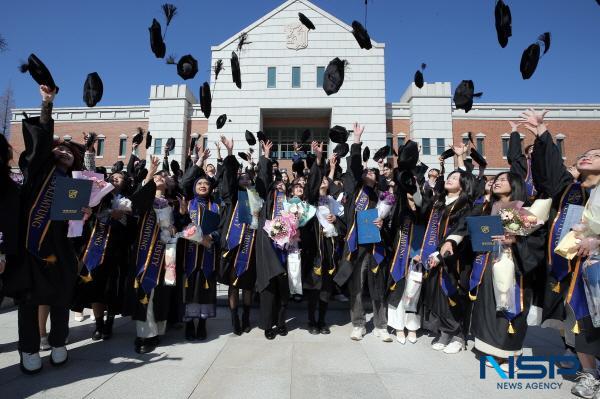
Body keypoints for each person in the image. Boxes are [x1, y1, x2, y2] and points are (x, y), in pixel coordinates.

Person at [10, 85, 87, 373]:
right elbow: (40, 142)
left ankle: (58, 342)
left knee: (61, 298)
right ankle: (29, 349)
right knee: (29, 302)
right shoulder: (37, 172)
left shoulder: (77, 184)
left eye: (69, 151)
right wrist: (47, 104)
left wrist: (85, 213)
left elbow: (76, 226)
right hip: (31, 249)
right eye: (60, 148)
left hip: (61, 250)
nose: (64, 151)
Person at [468, 172, 545, 370]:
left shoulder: (526, 209)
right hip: (489, 262)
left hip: (513, 263)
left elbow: (537, 241)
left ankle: (510, 353)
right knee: (490, 305)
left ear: (515, 184)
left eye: (503, 180)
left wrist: (516, 240)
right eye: (495, 180)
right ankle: (493, 349)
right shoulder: (487, 207)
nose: (496, 183)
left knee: (510, 305)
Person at [334, 123, 392, 342]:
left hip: (375, 247)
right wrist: (356, 141)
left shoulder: (382, 198)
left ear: (377, 179)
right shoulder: (354, 191)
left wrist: (382, 224)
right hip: (355, 246)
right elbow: (356, 166)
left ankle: (380, 325)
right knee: (356, 287)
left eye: (372, 173)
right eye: (366, 172)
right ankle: (358, 324)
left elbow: (389, 222)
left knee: (376, 287)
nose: (368, 173)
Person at [123, 156, 182, 354]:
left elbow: (182, 226)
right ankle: (144, 334)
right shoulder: (144, 201)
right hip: (143, 253)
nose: (160, 177)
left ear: (169, 184)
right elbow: (136, 201)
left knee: (161, 293)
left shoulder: (173, 203)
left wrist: (177, 224)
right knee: (145, 290)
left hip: (166, 254)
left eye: (164, 176)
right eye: (158, 175)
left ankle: (158, 330)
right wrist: (150, 174)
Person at [419, 169, 474, 354]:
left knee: (453, 295)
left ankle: (459, 335)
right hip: (434, 255)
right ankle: (445, 331)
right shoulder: (438, 202)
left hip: (455, 258)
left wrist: (444, 249)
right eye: (449, 177)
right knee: (437, 295)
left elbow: (462, 228)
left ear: (464, 184)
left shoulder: (467, 204)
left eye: (456, 178)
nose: (450, 179)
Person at [178, 148, 220, 341]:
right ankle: (189, 324)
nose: (203, 185)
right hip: (189, 253)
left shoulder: (216, 205)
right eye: (199, 183)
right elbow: (184, 182)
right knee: (189, 290)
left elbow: (222, 227)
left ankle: (202, 324)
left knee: (205, 290)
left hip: (208, 254)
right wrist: (199, 161)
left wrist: (211, 237)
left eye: (206, 183)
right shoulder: (188, 203)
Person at [217, 136, 256, 336]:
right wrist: (230, 154)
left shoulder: (256, 199)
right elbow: (229, 178)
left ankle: (246, 316)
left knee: (247, 286)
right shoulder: (232, 198)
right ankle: (234, 319)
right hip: (233, 246)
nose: (244, 180)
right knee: (233, 285)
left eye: (247, 178)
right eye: (241, 178)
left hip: (249, 247)